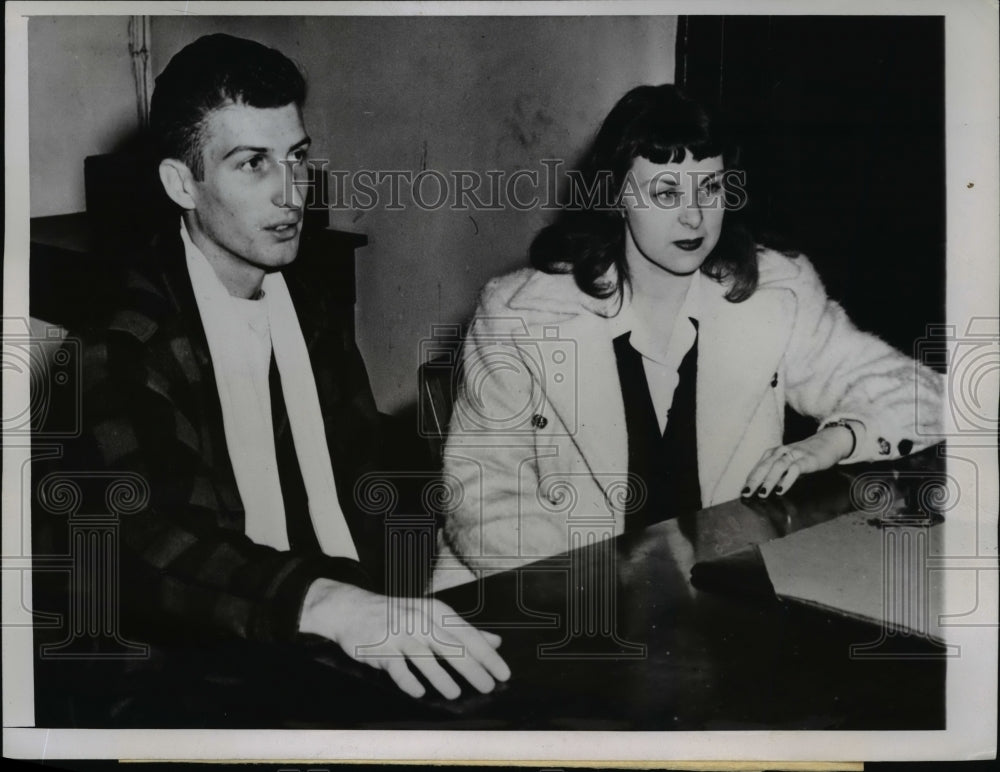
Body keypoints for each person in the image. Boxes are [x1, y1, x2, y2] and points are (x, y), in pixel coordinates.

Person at [32, 33, 508, 722]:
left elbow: (364, 470)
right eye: (252, 164)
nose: (292, 193)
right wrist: (330, 603)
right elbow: (154, 544)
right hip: (180, 681)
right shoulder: (119, 345)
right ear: (181, 183)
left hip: (320, 641)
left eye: (298, 157)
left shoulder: (305, 307)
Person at [434, 84, 945, 587]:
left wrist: (837, 439)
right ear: (616, 197)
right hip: (541, 598)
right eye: (666, 192)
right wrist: (589, 591)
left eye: (711, 188)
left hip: (712, 601)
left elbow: (920, 394)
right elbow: (481, 491)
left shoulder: (774, 294)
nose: (694, 215)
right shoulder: (520, 313)